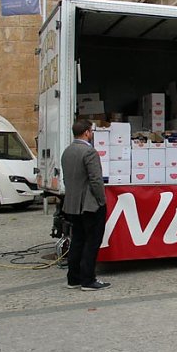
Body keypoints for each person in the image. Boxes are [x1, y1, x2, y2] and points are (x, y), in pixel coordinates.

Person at [61, 119, 111, 291]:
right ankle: (88, 279)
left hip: (72, 204)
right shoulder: (90, 152)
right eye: (91, 131)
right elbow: (96, 180)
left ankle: (73, 278)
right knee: (92, 242)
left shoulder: (67, 152)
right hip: (89, 204)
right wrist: (102, 200)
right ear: (87, 132)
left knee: (77, 241)